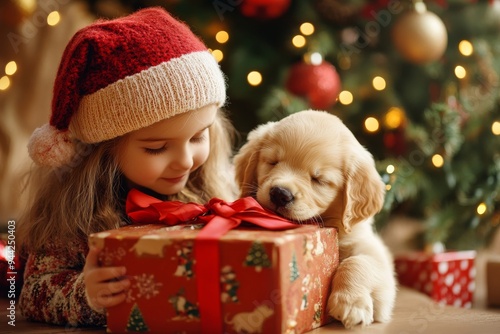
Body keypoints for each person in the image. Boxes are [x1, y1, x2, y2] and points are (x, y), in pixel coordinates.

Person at [17, 7, 237, 327]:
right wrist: (85, 293)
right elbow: (31, 293)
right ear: (103, 151)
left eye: (198, 136)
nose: (186, 161)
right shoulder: (74, 216)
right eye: (157, 148)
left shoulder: (210, 190)